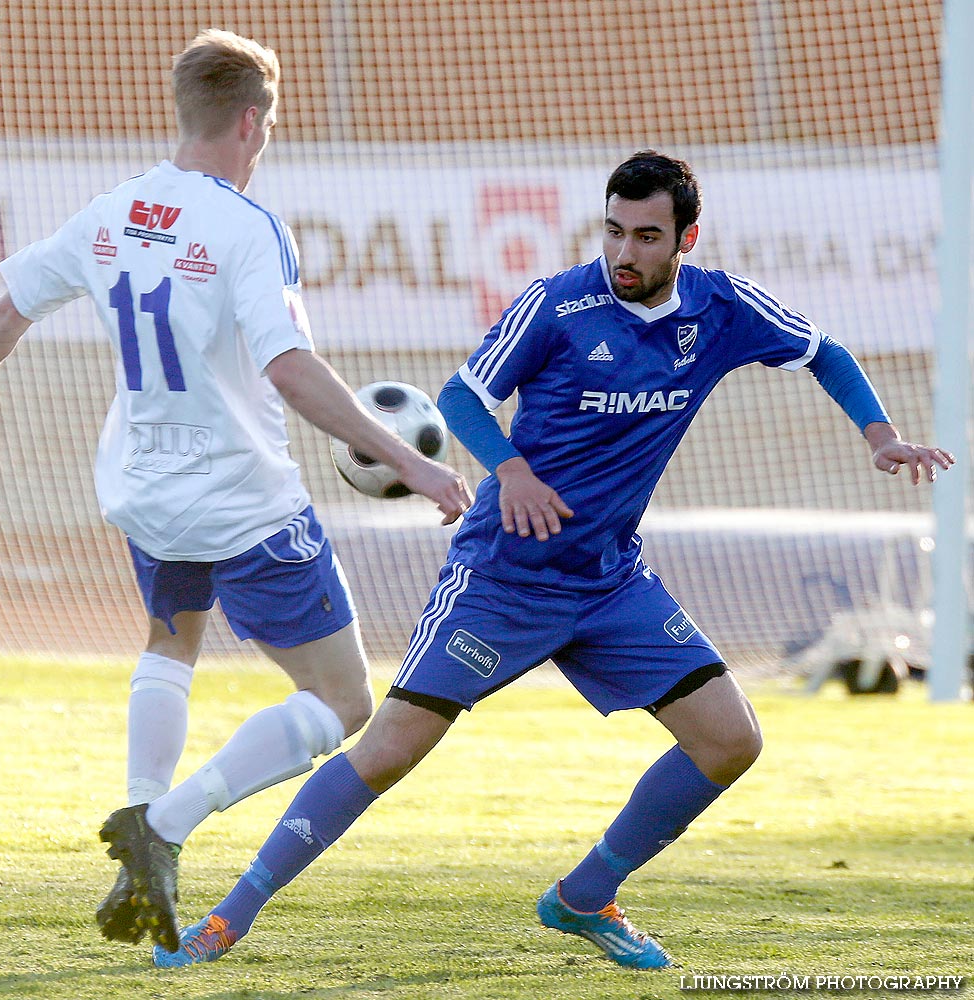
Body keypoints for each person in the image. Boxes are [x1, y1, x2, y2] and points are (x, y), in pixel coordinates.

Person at [122, 148, 956, 972]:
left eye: (646, 237)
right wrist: (510, 470)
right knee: (386, 752)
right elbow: (460, 397)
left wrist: (880, 435)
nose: (624, 253)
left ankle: (587, 895)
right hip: (503, 579)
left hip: (609, 580)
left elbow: (824, 351)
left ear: (686, 241)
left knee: (731, 741)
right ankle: (230, 917)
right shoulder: (557, 305)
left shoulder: (724, 309)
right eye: (613, 231)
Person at [0, 28, 471, 955]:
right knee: (341, 703)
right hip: (240, 496)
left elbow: (13, 302)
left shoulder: (112, 211)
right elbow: (290, 369)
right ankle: (164, 823)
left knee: (173, 638)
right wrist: (407, 461)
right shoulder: (249, 229)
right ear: (252, 122)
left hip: (141, 485)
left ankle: (140, 855)